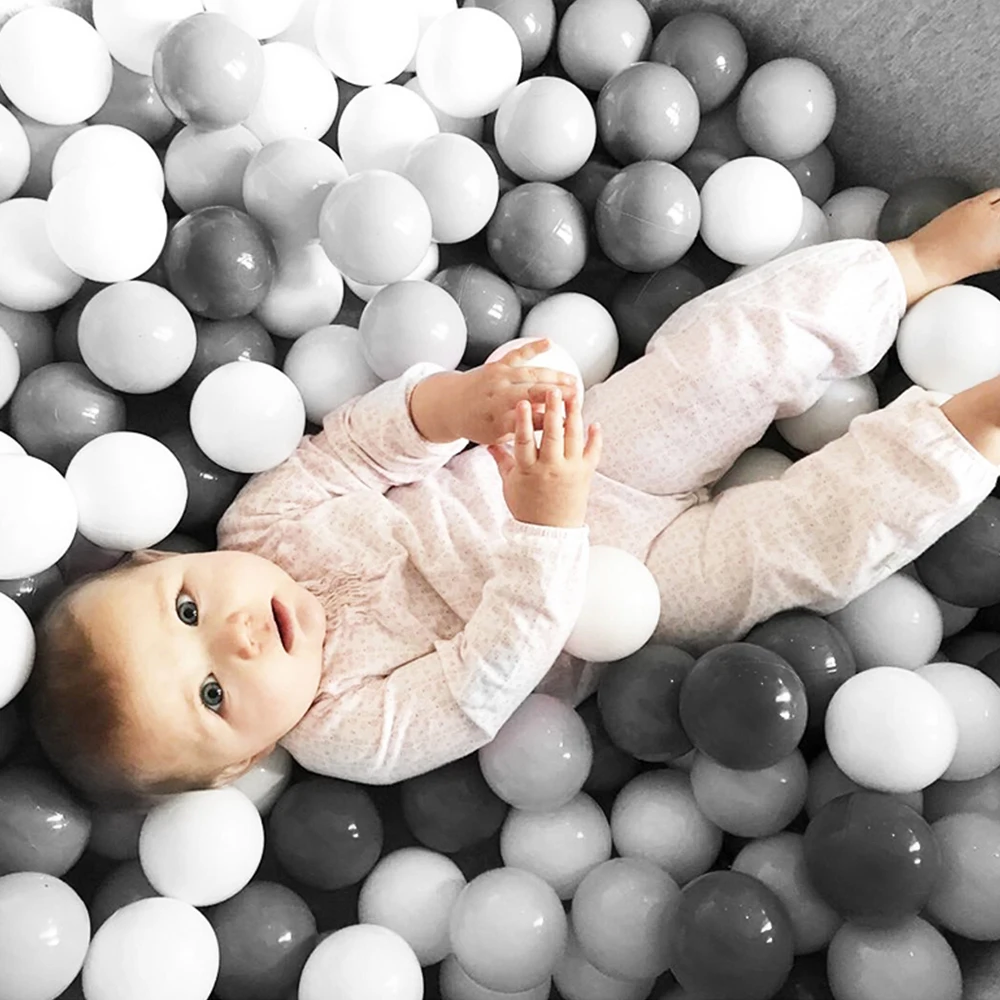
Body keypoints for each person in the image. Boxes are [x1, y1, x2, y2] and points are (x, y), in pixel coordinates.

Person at [27, 191, 1000, 807]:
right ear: (240, 762)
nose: (235, 638)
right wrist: (546, 521)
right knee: (800, 549)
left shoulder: (261, 527)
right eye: (211, 694)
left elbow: (357, 445)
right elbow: (479, 683)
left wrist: (460, 405)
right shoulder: (343, 733)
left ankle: (909, 266)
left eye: (187, 609)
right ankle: (969, 430)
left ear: (167, 558)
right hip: (623, 603)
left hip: (574, 457)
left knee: (720, 355)